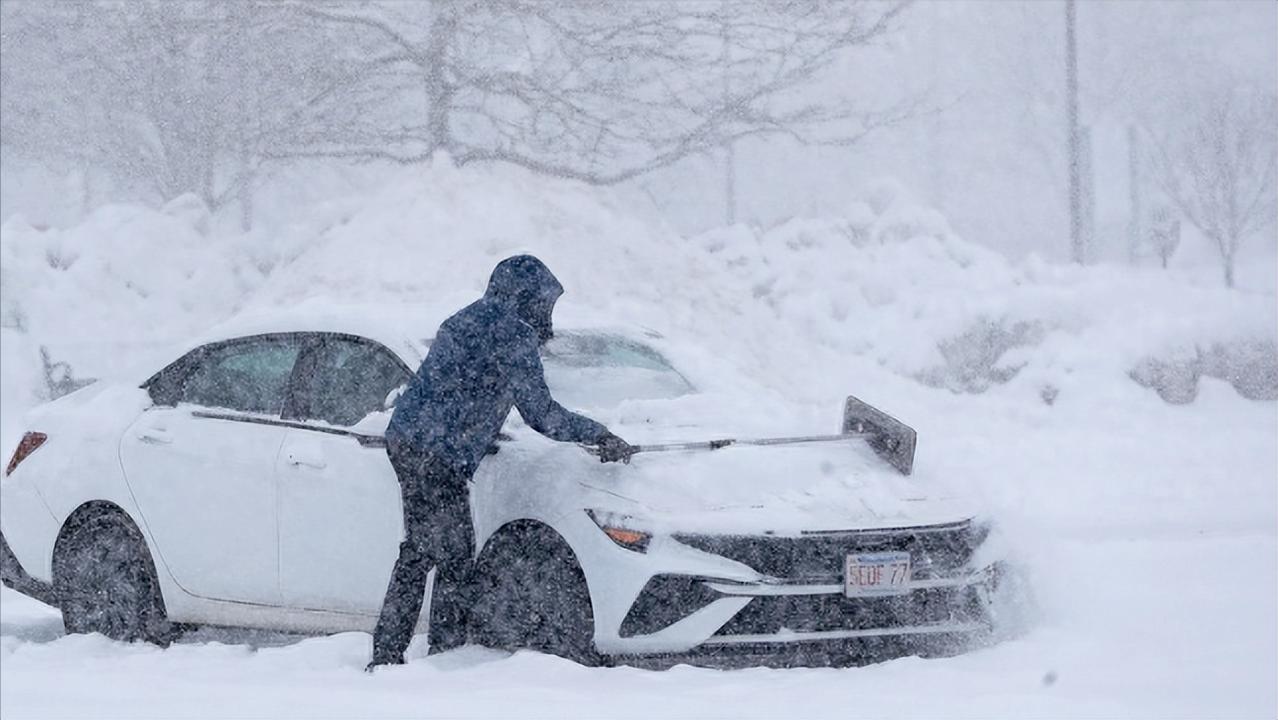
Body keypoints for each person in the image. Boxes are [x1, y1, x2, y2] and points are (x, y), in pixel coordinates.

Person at [367, 254, 635, 670]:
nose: (548, 314)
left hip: (415, 440)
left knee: (442, 552)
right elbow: (540, 413)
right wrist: (598, 433)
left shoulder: (468, 319)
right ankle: (410, 656)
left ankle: (429, 650)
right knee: (432, 553)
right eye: (544, 303)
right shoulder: (511, 334)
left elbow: (462, 385)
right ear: (525, 298)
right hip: (436, 451)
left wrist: (477, 432)